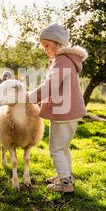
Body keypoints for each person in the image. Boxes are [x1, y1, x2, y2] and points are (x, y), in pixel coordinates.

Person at [28, 23, 88, 193]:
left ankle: (65, 184)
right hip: (72, 112)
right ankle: (66, 175)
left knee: (55, 149)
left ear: (58, 43)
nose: (45, 50)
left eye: (46, 45)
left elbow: (49, 87)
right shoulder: (69, 60)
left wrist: (29, 97)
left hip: (63, 112)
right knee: (64, 147)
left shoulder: (61, 60)